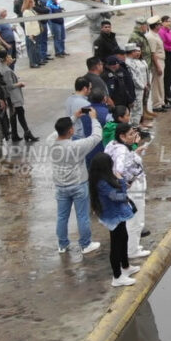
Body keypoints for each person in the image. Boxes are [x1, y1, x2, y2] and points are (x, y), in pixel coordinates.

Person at [52, 113, 103, 255]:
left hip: (60, 186)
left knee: (62, 216)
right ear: (71, 131)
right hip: (78, 185)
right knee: (82, 216)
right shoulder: (77, 146)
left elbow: (56, 133)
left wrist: (74, 117)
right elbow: (97, 137)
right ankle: (85, 244)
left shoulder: (51, 142)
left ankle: (62, 244)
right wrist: (93, 118)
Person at [89, 152, 139, 287]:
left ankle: (126, 266)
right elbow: (119, 197)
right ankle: (117, 277)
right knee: (116, 245)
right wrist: (122, 181)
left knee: (124, 238)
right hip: (113, 217)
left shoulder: (103, 179)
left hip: (118, 215)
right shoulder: (102, 183)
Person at [105, 124, 151, 259]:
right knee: (136, 220)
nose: (134, 137)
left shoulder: (112, 145)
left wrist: (135, 152)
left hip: (128, 187)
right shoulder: (122, 151)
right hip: (133, 187)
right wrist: (125, 184)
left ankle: (133, 246)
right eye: (130, 134)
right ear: (122, 136)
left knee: (131, 220)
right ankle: (132, 250)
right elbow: (117, 171)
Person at [0, 49, 38, 142]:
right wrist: (20, 84)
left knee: (14, 115)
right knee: (20, 113)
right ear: (6, 58)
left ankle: (15, 134)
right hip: (13, 97)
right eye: (8, 56)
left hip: (9, 96)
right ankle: (27, 132)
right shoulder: (6, 70)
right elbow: (9, 86)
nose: (10, 57)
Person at [145, 17, 168, 112]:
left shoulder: (155, 34)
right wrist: (158, 66)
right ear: (155, 26)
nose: (160, 26)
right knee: (156, 83)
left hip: (161, 60)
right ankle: (156, 104)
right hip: (157, 61)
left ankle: (161, 102)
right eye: (159, 24)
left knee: (160, 83)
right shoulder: (151, 36)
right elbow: (153, 53)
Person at [21, 0, 43, 68]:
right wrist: (30, 34)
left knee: (36, 48)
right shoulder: (26, 12)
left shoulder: (32, 10)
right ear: (29, 3)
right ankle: (33, 63)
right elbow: (28, 24)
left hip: (36, 32)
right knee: (32, 49)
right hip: (31, 34)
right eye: (33, 2)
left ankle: (37, 60)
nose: (34, 3)